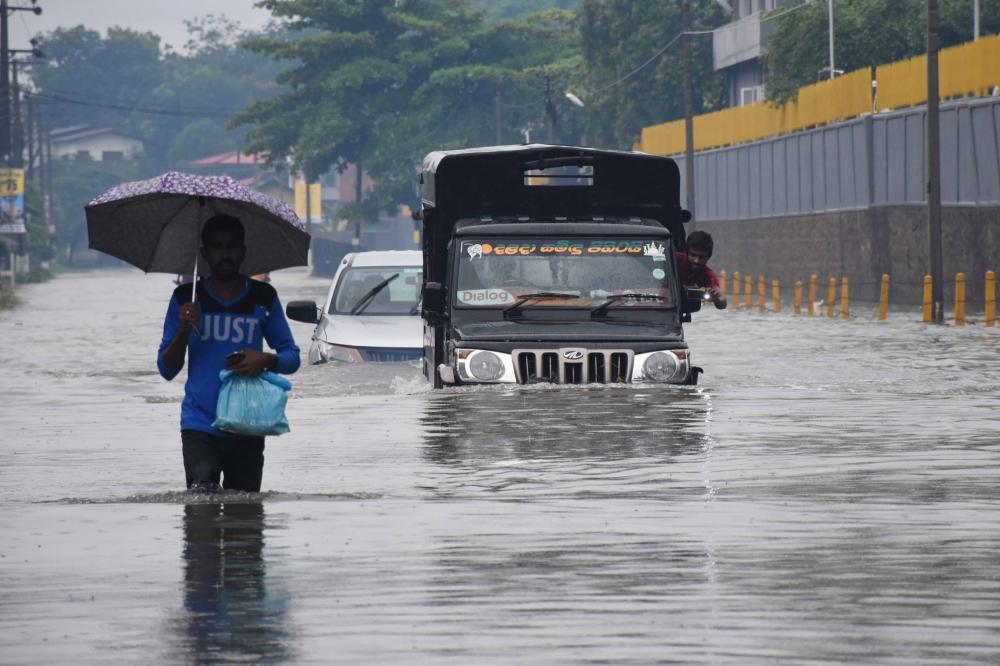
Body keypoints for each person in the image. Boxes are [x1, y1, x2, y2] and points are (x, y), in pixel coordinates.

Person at [158, 214, 300, 492]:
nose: (225, 254)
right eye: (217, 247)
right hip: (199, 425)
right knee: (200, 515)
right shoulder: (186, 299)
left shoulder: (263, 297)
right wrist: (184, 330)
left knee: (246, 521)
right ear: (204, 253)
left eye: (232, 246)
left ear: (243, 252)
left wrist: (266, 360)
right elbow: (166, 369)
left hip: (247, 423)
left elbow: (292, 357)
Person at [676, 230, 727, 309]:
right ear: (686, 252)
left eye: (702, 257)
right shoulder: (673, 259)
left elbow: (722, 301)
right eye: (693, 255)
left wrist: (716, 299)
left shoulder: (707, 275)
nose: (696, 261)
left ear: (708, 257)